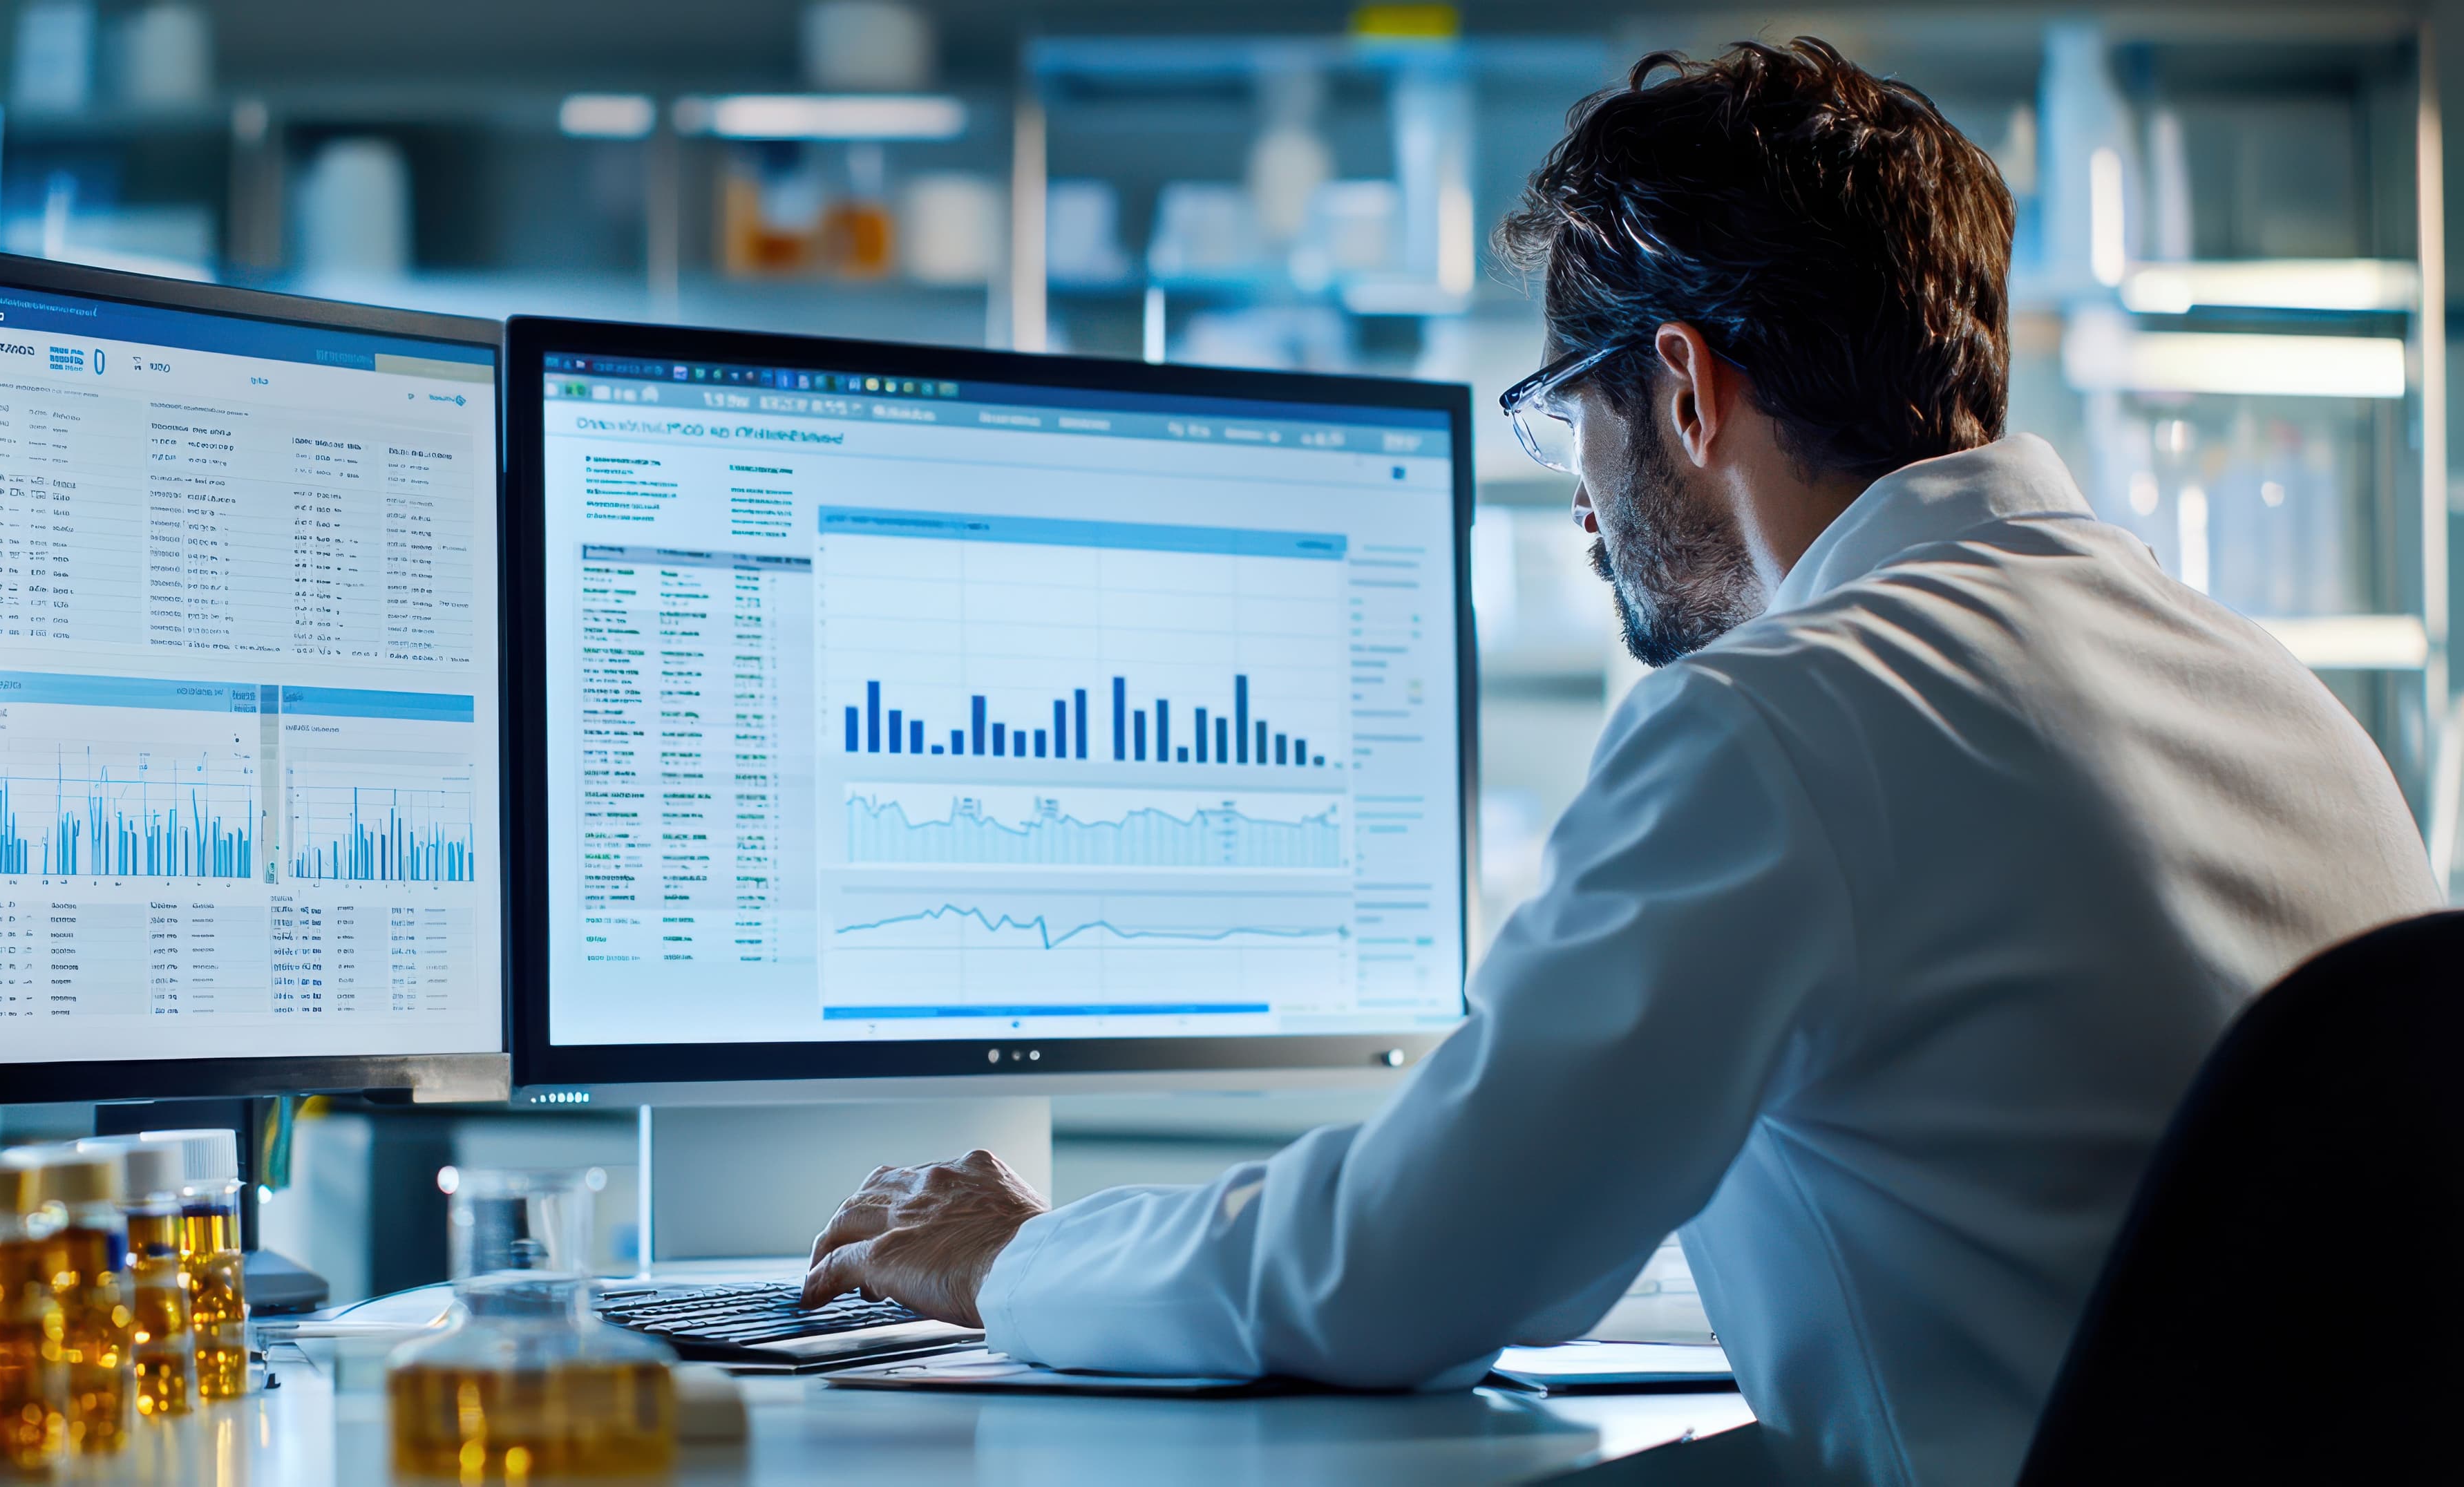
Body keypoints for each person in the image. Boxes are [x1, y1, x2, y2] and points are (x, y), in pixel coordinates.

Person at [797, 38, 2441, 1486]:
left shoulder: (1788, 714)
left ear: (1680, 387)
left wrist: (1019, 1259)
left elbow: (1404, 1270)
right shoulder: (2285, 703)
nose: (1577, 501)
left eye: (1562, 418)